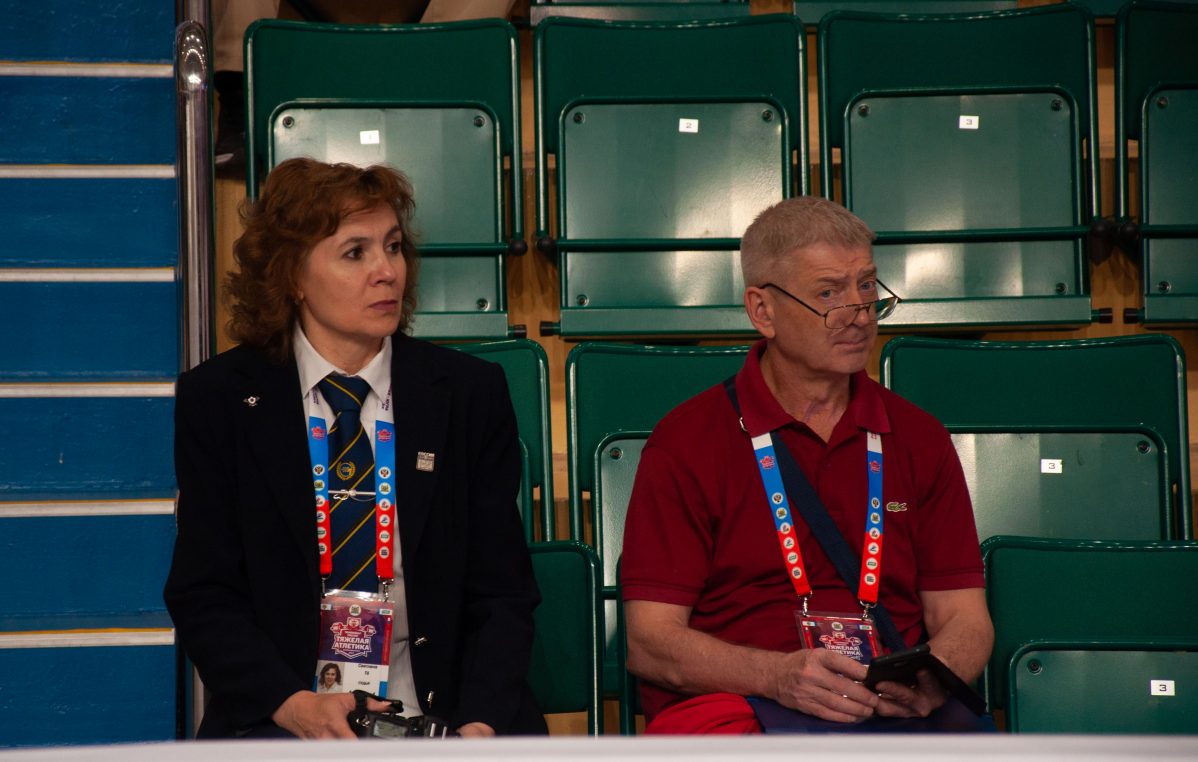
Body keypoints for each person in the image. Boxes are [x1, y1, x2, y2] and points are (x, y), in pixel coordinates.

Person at [164, 157, 545, 739]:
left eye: (393, 247)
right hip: (290, 717)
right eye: (355, 253)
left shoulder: (468, 393)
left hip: (449, 715)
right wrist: (293, 706)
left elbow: (503, 591)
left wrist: (477, 728)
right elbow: (204, 593)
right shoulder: (219, 400)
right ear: (292, 277)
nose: (387, 271)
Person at [620, 197, 994, 734]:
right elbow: (650, 643)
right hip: (748, 705)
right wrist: (775, 676)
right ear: (762, 311)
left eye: (867, 286)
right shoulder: (687, 441)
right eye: (828, 293)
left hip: (888, 709)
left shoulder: (919, 437)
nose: (859, 313)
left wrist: (938, 676)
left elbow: (964, 617)